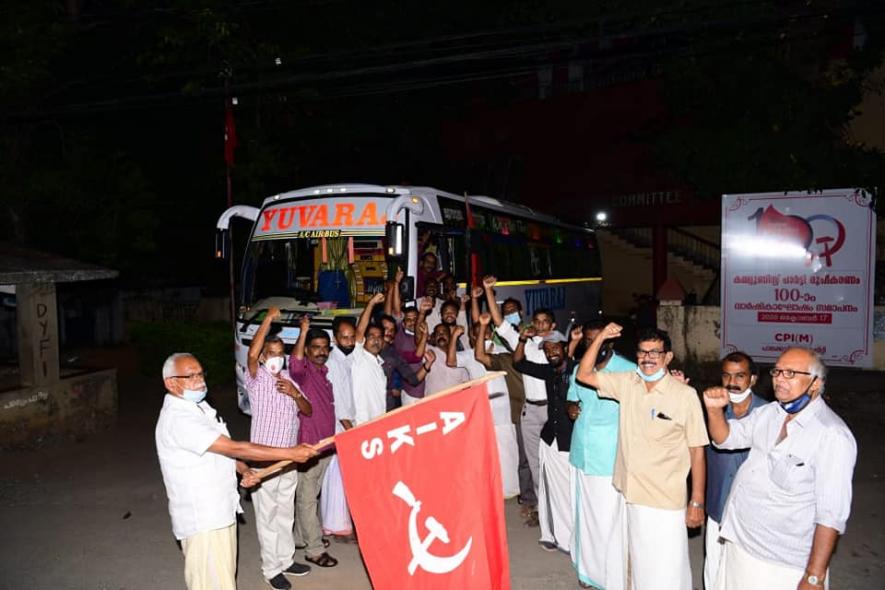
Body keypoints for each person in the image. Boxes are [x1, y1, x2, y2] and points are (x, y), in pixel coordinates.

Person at [156, 353, 317, 590]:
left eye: (201, 373)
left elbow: (218, 449)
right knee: (211, 582)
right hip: (203, 518)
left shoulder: (198, 407)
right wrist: (290, 453)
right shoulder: (178, 418)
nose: (200, 380)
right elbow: (235, 447)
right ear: (171, 383)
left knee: (223, 578)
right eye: (191, 376)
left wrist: (241, 468)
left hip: (220, 509)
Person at [703, 347, 857, 590]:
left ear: (816, 383)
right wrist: (714, 410)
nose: (780, 379)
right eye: (777, 372)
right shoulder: (769, 414)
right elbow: (726, 438)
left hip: (782, 564)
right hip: (740, 545)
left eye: (791, 373)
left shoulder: (832, 436)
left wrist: (814, 576)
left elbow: (831, 515)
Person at [577, 324, 708, 590]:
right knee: (633, 564)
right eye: (642, 352)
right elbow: (584, 374)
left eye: (655, 353)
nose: (647, 358)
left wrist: (697, 501)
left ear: (668, 357)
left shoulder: (684, 395)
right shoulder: (627, 383)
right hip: (628, 493)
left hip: (664, 499)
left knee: (665, 569)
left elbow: (697, 450)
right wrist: (601, 337)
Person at [245, 308, 313, 589]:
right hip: (264, 462)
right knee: (267, 515)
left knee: (286, 512)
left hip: (289, 460)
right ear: (263, 356)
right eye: (271, 353)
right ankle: (271, 568)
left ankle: (285, 560)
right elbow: (250, 354)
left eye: (280, 352)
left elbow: (307, 410)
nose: (276, 358)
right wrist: (268, 320)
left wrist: (295, 394)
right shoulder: (257, 378)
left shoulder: (290, 379)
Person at [566, 320, 636, 590]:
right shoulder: (580, 367)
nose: (593, 345)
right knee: (584, 515)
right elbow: (573, 397)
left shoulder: (629, 370)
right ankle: (588, 571)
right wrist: (572, 407)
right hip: (581, 450)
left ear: (610, 342)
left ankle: (609, 575)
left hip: (608, 456)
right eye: (589, 340)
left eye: (600, 340)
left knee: (607, 520)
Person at [484, 275, 556, 510]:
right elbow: (499, 323)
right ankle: (540, 506)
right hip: (530, 409)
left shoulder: (558, 345)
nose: (541, 325)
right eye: (538, 321)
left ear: (552, 325)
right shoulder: (523, 341)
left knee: (555, 459)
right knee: (532, 461)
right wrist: (488, 290)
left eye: (545, 322)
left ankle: (557, 504)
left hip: (551, 408)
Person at [702, 351, 765, 589]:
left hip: (751, 511)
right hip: (718, 504)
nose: (732, 383)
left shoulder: (768, 413)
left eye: (740, 376)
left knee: (744, 573)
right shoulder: (712, 410)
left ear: (753, 379)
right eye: (727, 376)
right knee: (714, 566)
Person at [513, 328, 575, 553]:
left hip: (570, 440)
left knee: (569, 490)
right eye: (547, 350)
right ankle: (551, 534)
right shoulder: (550, 371)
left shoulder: (577, 371)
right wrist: (521, 339)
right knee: (549, 487)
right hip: (550, 437)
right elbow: (519, 363)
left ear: (565, 348)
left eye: (555, 348)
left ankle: (570, 539)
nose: (551, 353)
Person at [474, 309, 537, 522]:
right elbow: (480, 356)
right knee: (525, 459)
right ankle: (529, 500)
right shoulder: (506, 359)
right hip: (522, 413)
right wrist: (483, 326)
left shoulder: (540, 353)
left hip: (547, 412)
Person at [446, 319, 519, 498]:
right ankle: (486, 489)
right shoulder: (470, 354)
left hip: (503, 408)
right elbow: (451, 361)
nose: (483, 333)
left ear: (491, 333)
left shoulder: (503, 352)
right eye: (478, 331)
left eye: (486, 330)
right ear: (472, 336)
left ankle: (509, 489)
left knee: (507, 449)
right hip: (480, 409)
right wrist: (455, 336)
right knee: (482, 451)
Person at [288, 316, 338, 569]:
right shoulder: (303, 372)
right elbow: (294, 363)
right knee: (308, 497)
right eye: (315, 347)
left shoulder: (324, 372)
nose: (321, 352)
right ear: (307, 350)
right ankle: (314, 550)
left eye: (324, 347)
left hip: (326, 445)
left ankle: (301, 536)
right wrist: (303, 331)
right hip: (310, 446)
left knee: (310, 494)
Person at [351, 293, 434, 423]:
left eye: (391, 330)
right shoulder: (360, 355)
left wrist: (427, 365)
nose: (387, 333)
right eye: (383, 330)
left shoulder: (391, 357)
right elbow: (360, 331)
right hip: (360, 419)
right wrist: (371, 303)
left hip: (383, 413)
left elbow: (413, 379)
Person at [321, 316, 358, 542]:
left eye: (352, 336)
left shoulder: (349, 357)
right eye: (344, 337)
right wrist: (349, 428)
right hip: (341, 425)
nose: (349, 341)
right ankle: (336, 526)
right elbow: (339, 400)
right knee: (337, 478)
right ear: (336, 338)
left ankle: (343, 523)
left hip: (351, 422)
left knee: (344, 477)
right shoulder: (332, 362)